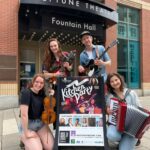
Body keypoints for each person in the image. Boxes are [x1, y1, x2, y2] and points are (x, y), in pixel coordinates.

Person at [42, 38, 73, 128]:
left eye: (55, 45)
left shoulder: (66, 55)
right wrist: (55, 74)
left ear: (58, 45)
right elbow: (45, 75)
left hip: (66, 85)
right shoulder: (47, 59)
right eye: (51, 46)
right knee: (56, 107)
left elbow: (71, 69)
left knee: (67, 106)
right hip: (54, 87)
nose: (53, 47)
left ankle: (67, 126)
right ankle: (57, 129)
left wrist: (68, 66)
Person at [106, 73, 141, 150]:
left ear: (120, 80)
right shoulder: (109, 96)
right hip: (116, 124)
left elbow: (140, 108)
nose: (115, 83)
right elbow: (106, 108)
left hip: (131, 128)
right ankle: (122, 139)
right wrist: (107, 110)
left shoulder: (131, 93)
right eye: (112, 81)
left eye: (116, 80)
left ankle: (128, 140)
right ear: (109, 84)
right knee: (112, 135)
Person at [19, 73, 54, 150]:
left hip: (40, 124)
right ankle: (24, 139)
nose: (39, 84)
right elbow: (24, 115)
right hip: (28, 125)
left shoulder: (42, 94)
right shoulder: (26, 93)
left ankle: (36, 138)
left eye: (41, 83)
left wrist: (51, 96)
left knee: (51, 147)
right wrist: (26, 133)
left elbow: (48, 108)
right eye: (37, 82)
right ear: (33, 81)